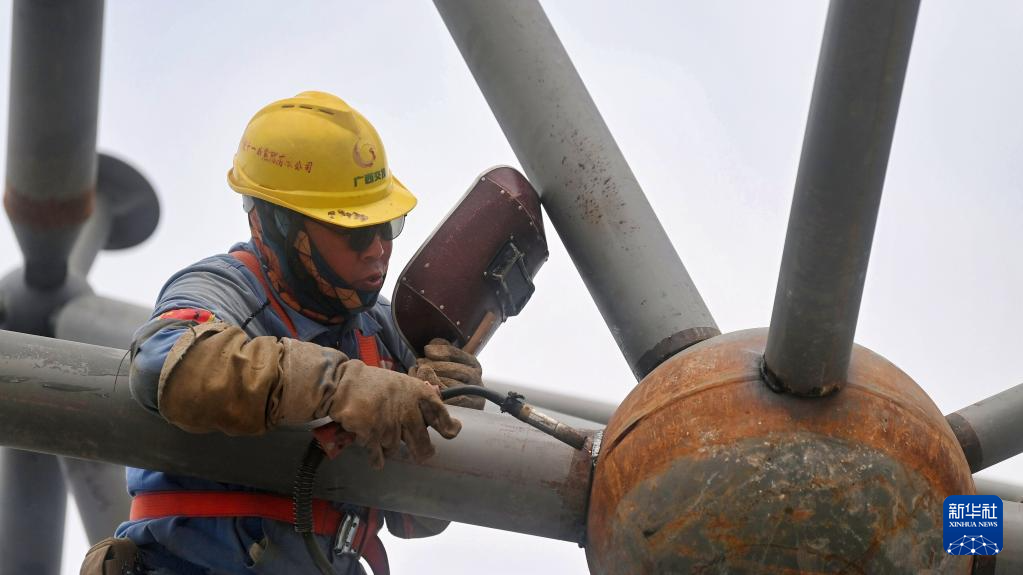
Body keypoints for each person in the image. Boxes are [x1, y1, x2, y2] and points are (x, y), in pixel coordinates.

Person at [80, 91, 486, 575]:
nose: (378, 250)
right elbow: (164, 366)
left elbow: (415, 520)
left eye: (388, 226)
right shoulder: (224, 288)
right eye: (356, 231)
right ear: (276, 225)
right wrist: (337, 385)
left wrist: (455, 425)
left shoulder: (384, 329)